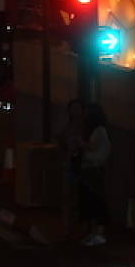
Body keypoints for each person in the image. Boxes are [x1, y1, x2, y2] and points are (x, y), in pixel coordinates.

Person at [78, 102, 113, 246]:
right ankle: (94, 233)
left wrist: (84, 147)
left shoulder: (99, 131)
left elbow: (102, 151)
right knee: (91, 201)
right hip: (90, 168)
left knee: (96, 200)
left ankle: (99, 233)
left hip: (93, 168)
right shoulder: (94, 130)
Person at [57, 99, 87, 241]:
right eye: (73, 109)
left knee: (79, 198)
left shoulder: (85, 128)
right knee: (67, 197)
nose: (75, 112)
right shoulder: (66, 128)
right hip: (70, 164)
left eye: (78, 108)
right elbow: (61, 144)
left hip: (82, 165)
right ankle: (66, 229)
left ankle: (77, 228)